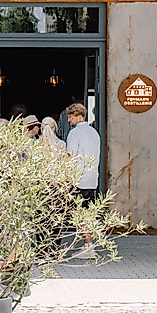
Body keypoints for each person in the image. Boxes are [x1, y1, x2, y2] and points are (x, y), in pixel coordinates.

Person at [65, 103, 101, 259]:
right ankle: (89, 245)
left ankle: (88, 247)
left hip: (78, 179)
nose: (68, 120)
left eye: (70, 117)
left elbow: (70, 157)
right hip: (92, 178)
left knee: (80, 215)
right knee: (88, 214)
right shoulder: (94, 132)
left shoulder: (75, 133)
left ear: (78, 116)